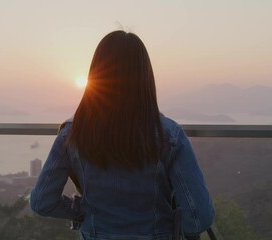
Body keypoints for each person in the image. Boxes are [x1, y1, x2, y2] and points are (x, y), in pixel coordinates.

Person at [30, 30, 215, 240]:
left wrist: (83, 211)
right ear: (145, 77)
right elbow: (199, 216)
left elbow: (42, 202)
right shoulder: (169, 135)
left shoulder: (73, 133)